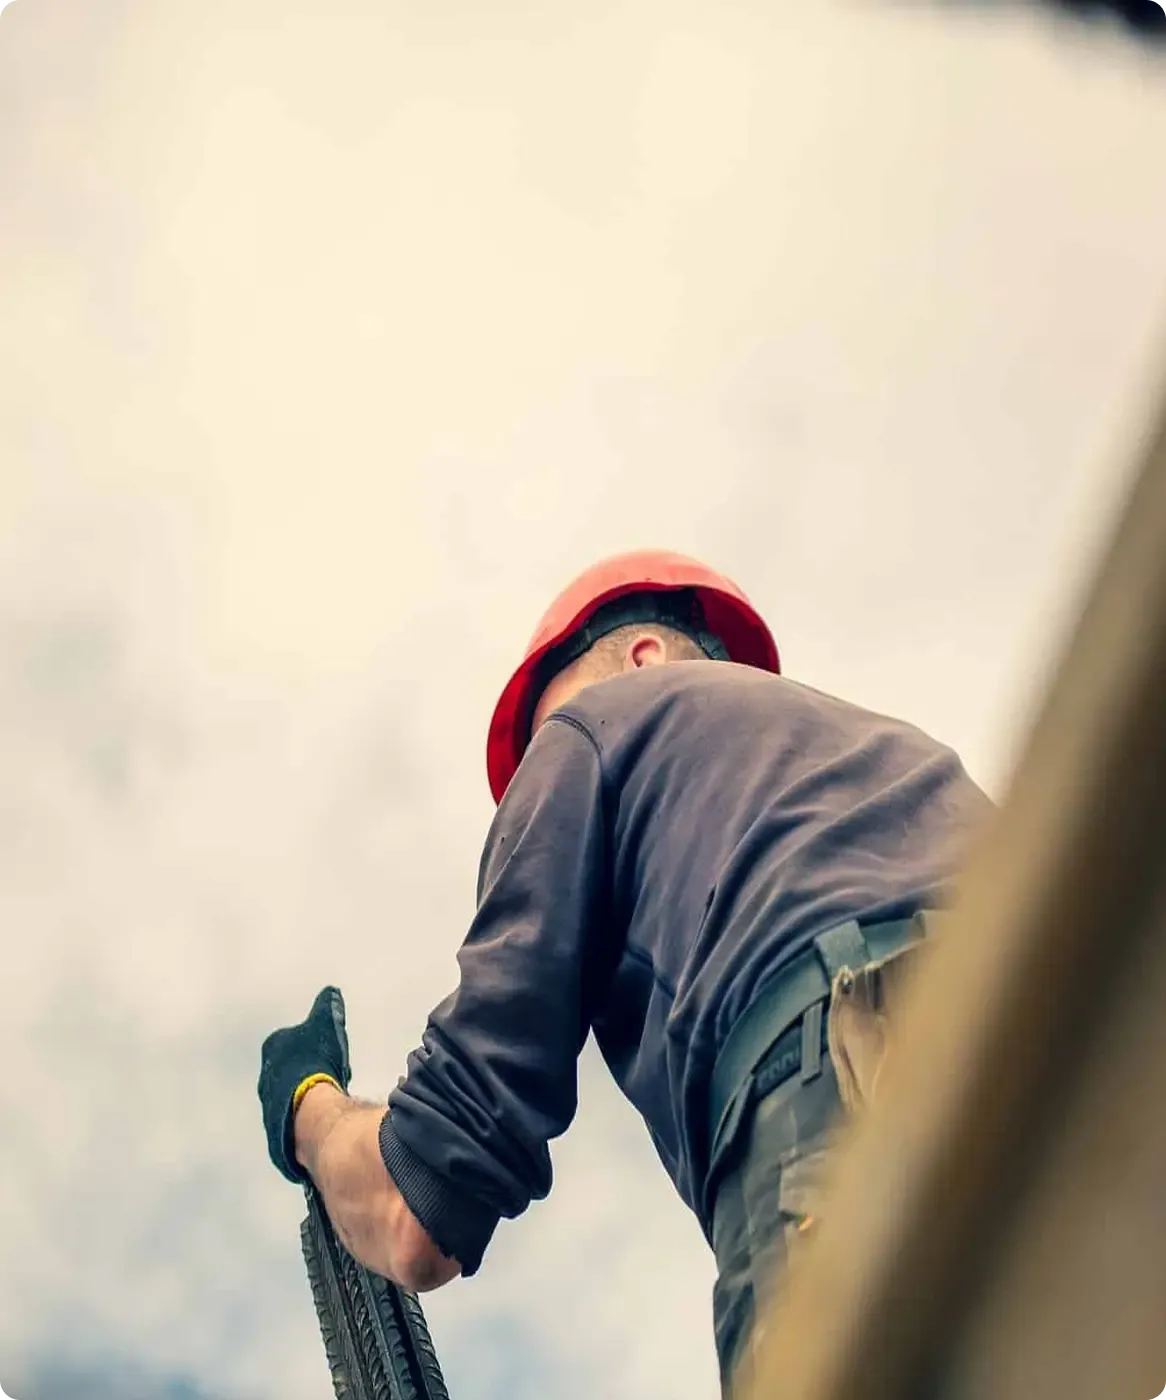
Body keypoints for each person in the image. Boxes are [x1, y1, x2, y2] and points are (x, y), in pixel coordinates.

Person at [258, 548, 993, 1395]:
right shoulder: (899, 756)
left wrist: (308, 1105)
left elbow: (421, 1200)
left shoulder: (602, 725)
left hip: (850, 1080)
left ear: (641, 655)